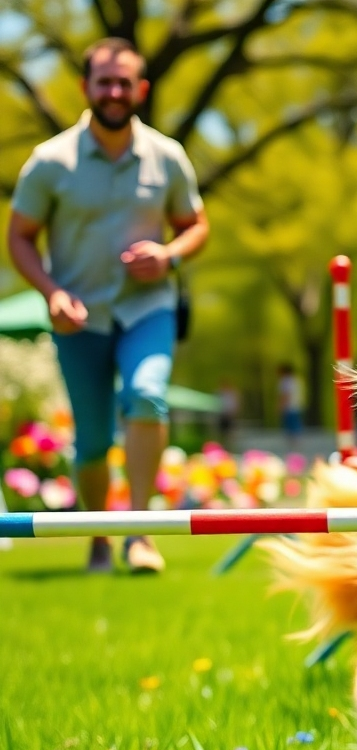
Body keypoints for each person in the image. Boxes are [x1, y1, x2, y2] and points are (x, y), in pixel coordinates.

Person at [7, 37, 209, 573]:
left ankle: (139, 533)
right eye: (105, 82)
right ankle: (98, 536)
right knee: (92, 442)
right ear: (86, 87)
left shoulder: (167, 156)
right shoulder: (50, 162)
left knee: (146, 395)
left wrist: (167, 256)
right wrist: (52, 293)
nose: (115, 91)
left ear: (140, 89)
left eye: (125, 82)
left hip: (148, 308)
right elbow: (20, 236)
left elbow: (196, 225)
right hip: (79, 319)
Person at [276, 362, 304, 446]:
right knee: (296, 425)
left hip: (289, 406)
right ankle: (297, 442)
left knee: (290, 426)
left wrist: (281, 405)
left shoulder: (285, 381)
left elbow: (286, 394)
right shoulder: (297, 380)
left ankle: (293, 444)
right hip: (296, 405)